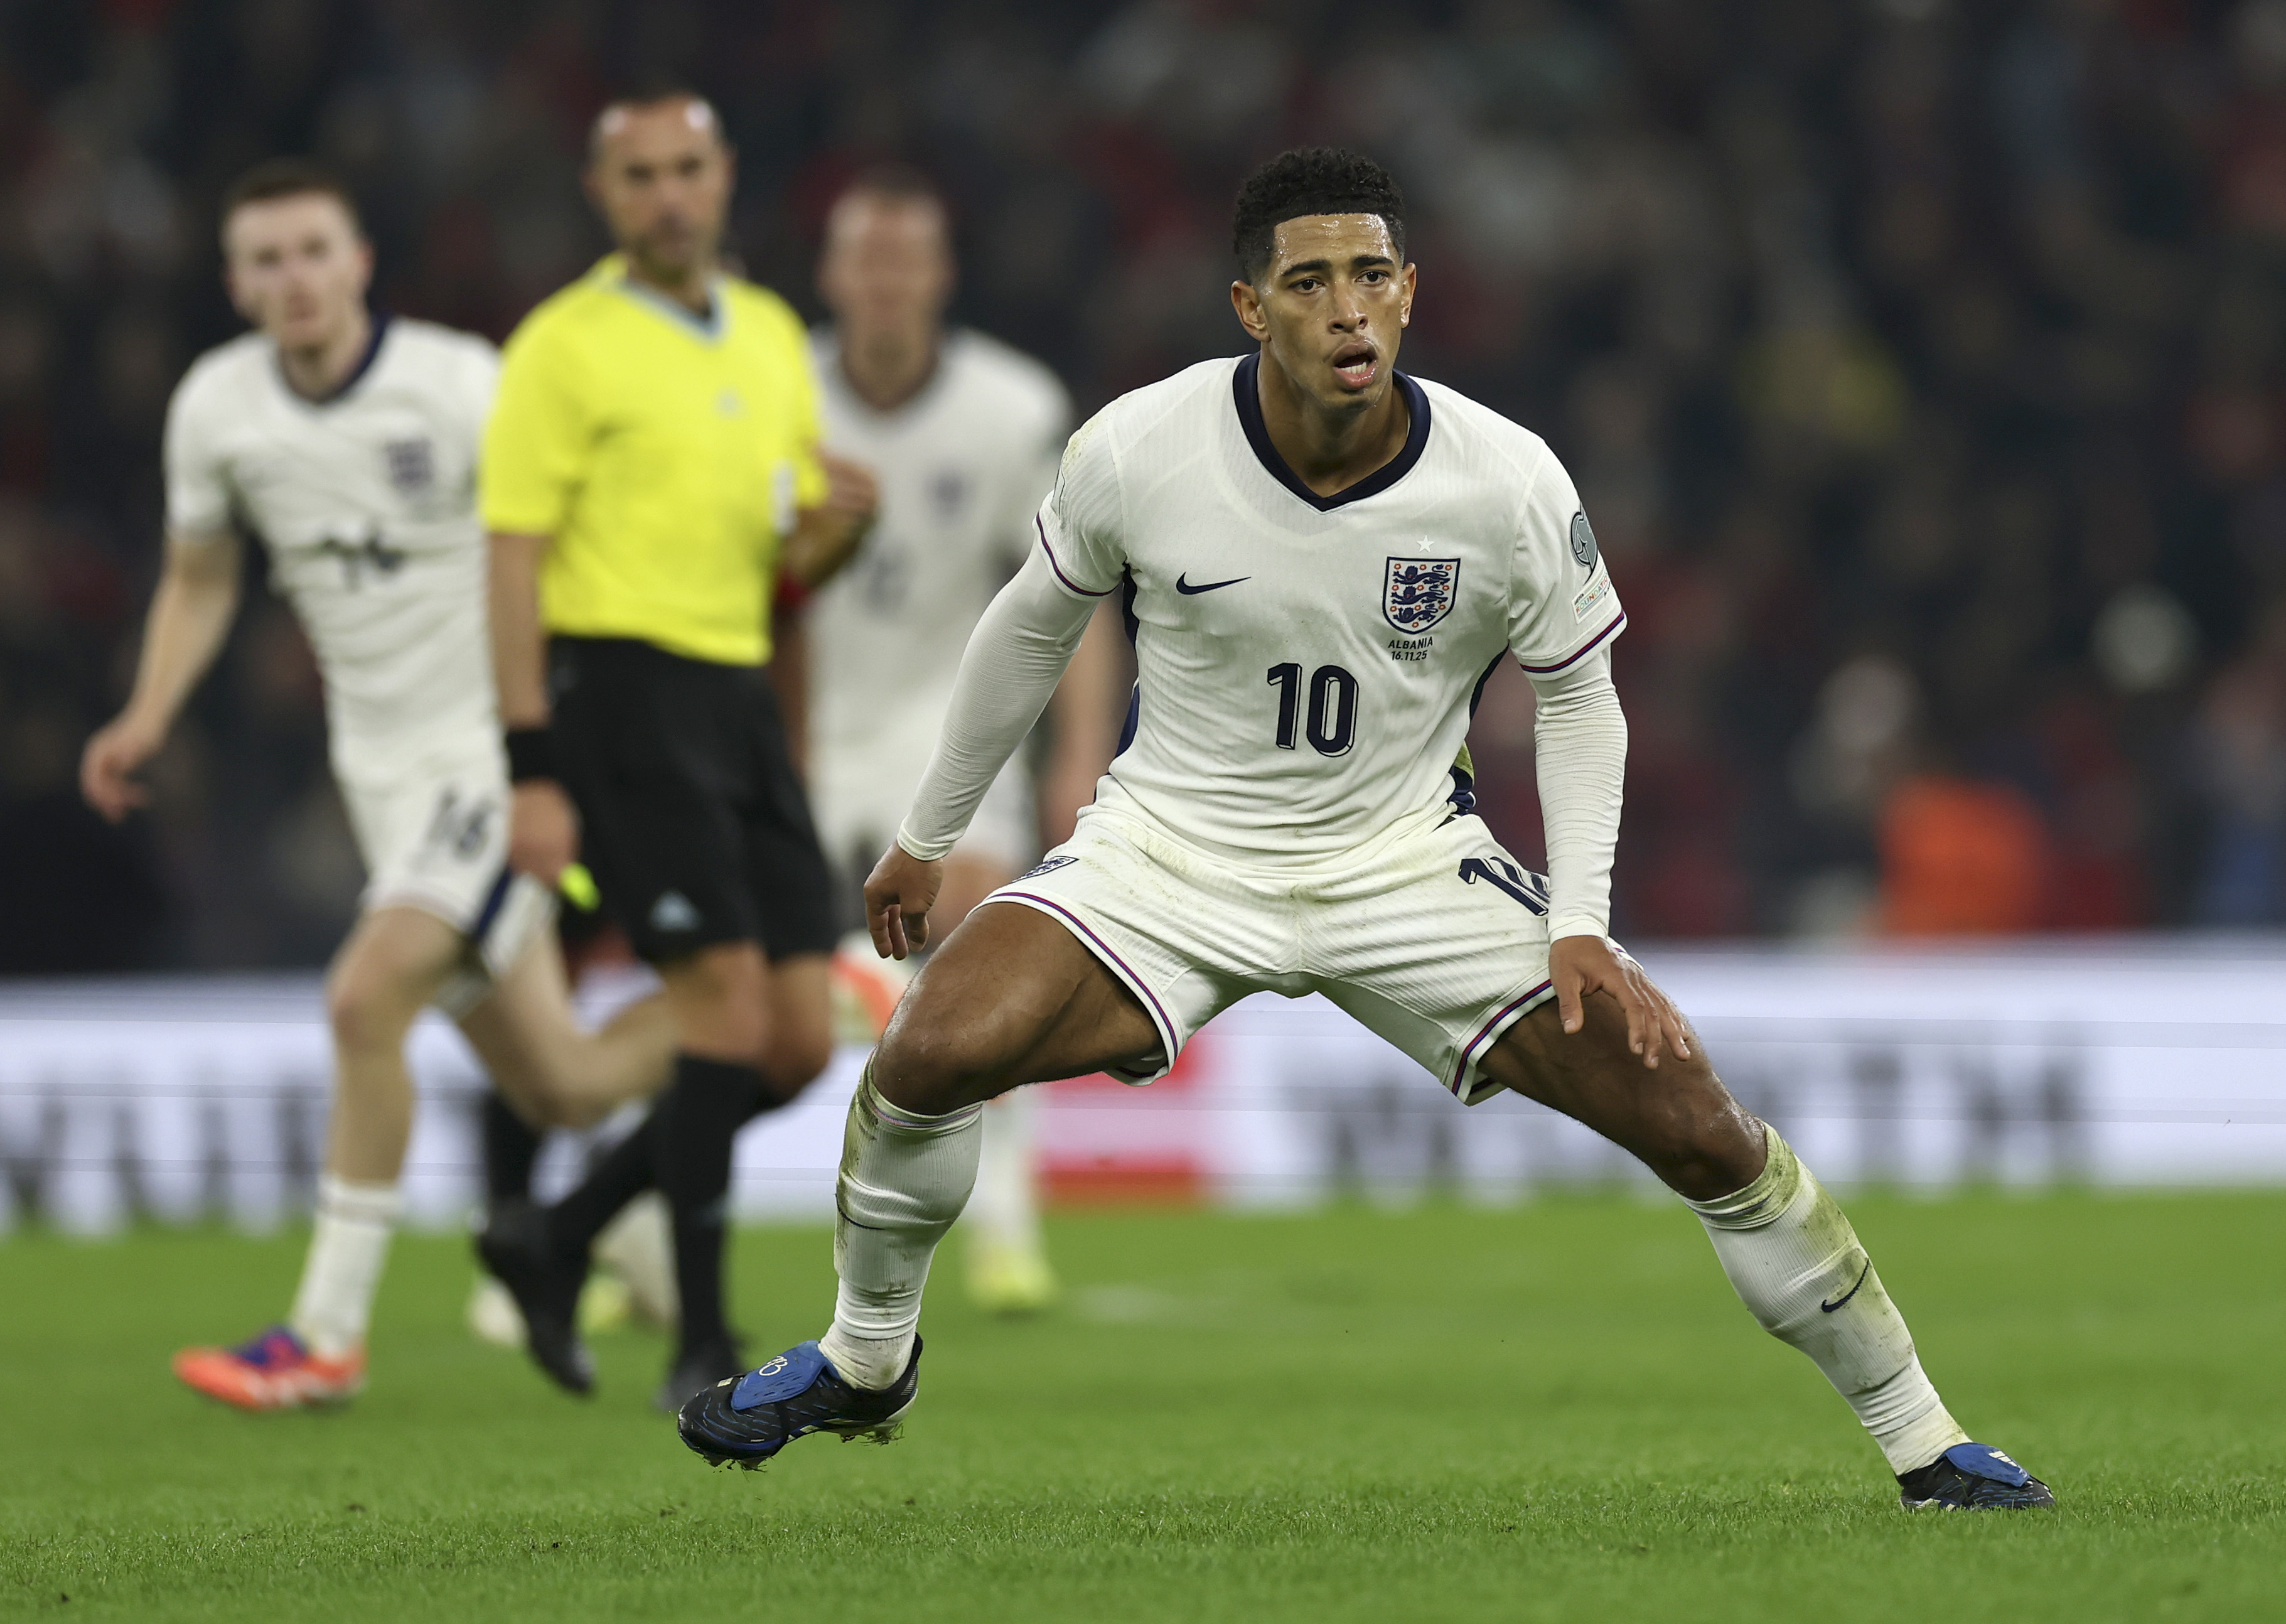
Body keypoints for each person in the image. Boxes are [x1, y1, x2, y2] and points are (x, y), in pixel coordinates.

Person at [677, 148, 2056, 1514]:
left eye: (1373, 277)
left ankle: (1926, 1441)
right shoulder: (1139, 447)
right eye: (1311, 280)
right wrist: (929, 832)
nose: (1348, 308)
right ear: (1249, 307)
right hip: (1171, 855)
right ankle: (868, 1359)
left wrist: (1580, 919)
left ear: (1411, 294)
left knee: (1696, 1121)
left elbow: (1581, 699)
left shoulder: (1503, 480)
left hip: (1410, 864)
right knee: (930, 1050)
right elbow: (1029, 630)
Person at [80, 159, 675, 1411]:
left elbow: (574, 550)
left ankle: (324, 1338)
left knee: (365, 1001)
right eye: (266, 259)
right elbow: (201, 578)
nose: (293, 278)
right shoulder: (218, 409)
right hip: (385, 782)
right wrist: (147, 713)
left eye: (314, 251)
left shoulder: (460, 384)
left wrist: (564, 748)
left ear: (360, 262)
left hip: (491, 756)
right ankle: (793, 1009)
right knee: (560, 1080)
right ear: (235, 282)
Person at [478, 90, 877, 1411]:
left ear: (725, 179)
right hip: (619, 696)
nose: (667, 195)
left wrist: (841, 532)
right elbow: (513, 564)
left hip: (735, 691)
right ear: (602, 193)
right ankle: (701, 1339)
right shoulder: (562, 346)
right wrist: (532, 760)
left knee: (793, 1041)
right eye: (639, 174)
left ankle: (560, 1226)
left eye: (688, 170)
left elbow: (780, 561)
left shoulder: (767, 335)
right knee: (719, 1010)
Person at [806, 167, 1120, 1313]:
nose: (886, 282)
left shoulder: (1009, 407)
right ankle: (636, 1252)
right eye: (865, 259)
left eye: (907, 260)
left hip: (946, 732)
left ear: (939, 276)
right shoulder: (771, 394)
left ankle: (1006, 1235)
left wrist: (1076, 760)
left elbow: (1075, 594)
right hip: (796, 728)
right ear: (833, 273)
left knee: (977, 941)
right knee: (733, 988)